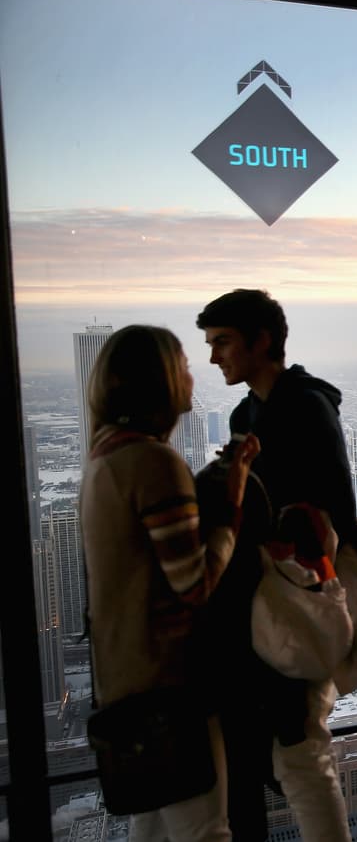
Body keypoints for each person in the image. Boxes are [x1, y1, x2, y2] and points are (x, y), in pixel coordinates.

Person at [80, 325, 260, 841]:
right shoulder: (153, 462)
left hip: (124, 686)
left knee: (153, 832)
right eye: (182, 363)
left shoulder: (104, 457)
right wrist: (232, 500)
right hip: (168, 689)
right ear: (158, 378)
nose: (193, 372)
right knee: (206, 831)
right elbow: (197, 585)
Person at [197, 289, 355, 842]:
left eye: (223, 342)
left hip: (295, 598)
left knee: (300, 753)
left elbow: (338, 513)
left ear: (262, 342)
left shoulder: (308, 407)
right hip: (253, 607)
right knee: (258, 757)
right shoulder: (247, 413)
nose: (214, 356)